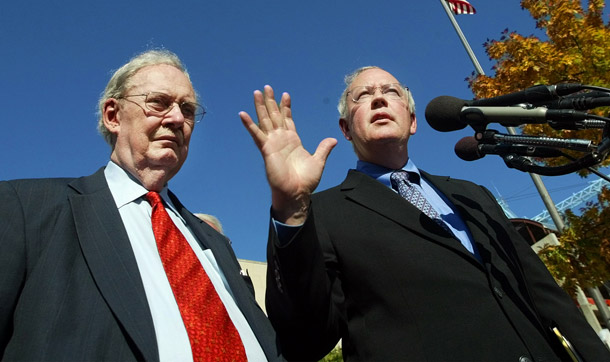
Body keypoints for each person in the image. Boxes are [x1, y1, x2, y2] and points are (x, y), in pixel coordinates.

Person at [239, 66, 610, 361]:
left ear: (413, 121)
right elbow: (305, 342)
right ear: (346, 130)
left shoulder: (473, 194)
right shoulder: (320, 214)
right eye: (363, 96)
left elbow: (546, 295)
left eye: (391, 92)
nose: (378, 99)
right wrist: (291, 207)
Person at [0, 49, 282, 361]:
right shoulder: (25, 209)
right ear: (113, 115)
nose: (176, 119)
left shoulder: (215, 242)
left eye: (187, 110)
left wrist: (292, 205)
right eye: (159, 102)